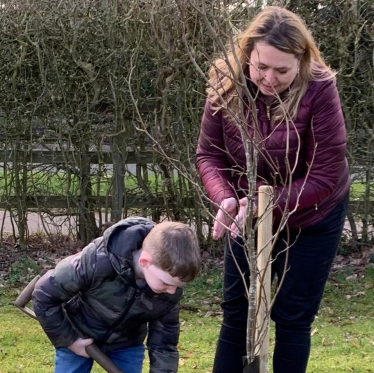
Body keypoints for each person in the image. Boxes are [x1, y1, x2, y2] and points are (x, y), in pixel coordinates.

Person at [196, 6, 350, 373]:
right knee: (237, 310)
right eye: (261, 67)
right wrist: (226, 198)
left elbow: (326, 174)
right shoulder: (226, 84)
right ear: (248, 53)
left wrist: (268, 203)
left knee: (293, 316)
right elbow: (208, 154)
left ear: (301, 60)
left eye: (281, 70)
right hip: (245, 214)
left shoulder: (320, 90)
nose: (268, 78)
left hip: (313, 217)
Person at [32, 217, 201, 373]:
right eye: (166, 283)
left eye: (177, 286)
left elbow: (164, 343)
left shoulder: (168, 289)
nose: (172, 291)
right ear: (145, 262)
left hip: (126, 343)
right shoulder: (97, 261)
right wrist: (70, 340)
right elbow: (44, 294)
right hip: (79, 330)